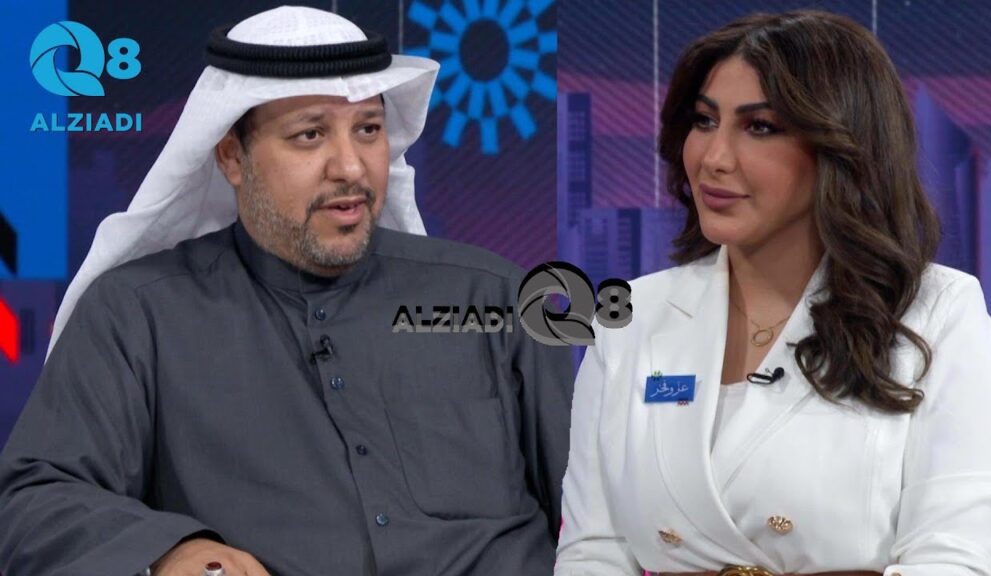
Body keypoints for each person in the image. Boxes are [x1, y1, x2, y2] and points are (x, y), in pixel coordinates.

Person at [0, 7, 572, 576]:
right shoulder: (138, 314)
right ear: (232, 157)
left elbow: (594, 504)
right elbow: (32, 502)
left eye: (368, 130)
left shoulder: (494, 298)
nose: (351, 168)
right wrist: (172, 552)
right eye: (310, 134)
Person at [555, 10, 991, 576]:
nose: (714, 158)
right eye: (703, 121)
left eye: (760, 127)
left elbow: (949, 560)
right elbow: (592, 552)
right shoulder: (630, 317)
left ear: (841, 146)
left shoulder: (937, 312)